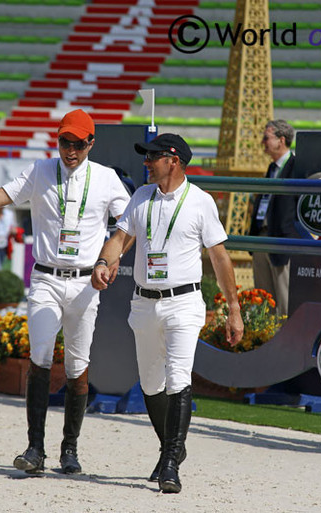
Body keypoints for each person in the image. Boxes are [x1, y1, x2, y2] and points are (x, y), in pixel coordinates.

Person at [0, 109, 130, 475]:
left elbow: (128, 226)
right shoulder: (40, 171)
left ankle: (69, 449)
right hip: (46, 280)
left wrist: (109, 260)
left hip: (86, 284)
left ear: (91, 143)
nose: (70, 150)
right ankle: (35, 448)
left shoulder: (106, 178)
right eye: (64, 141)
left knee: (77, 367)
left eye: (78, 144)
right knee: (39, 356)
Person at [91, 133, 243, 494]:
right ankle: (172, 446)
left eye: (152, 157)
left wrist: (234, 309)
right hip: (144, 302)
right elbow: (120, 239)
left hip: (183, 303)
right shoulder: (141, 197)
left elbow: (220, 258)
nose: (146, 162)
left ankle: (171, 462)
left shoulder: (201, 202)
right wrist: (103, 261)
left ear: (173, 160)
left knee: (177, 379)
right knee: (150, 384)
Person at [249, 120, 297, 316]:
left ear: (281, 140)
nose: (263, 142)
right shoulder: (272, 168)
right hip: (262, 236)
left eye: (266, 138)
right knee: (263, 300)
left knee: (284, 302)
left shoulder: (296, 167)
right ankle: (265, 341)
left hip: (281, 239)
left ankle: (285, 344)